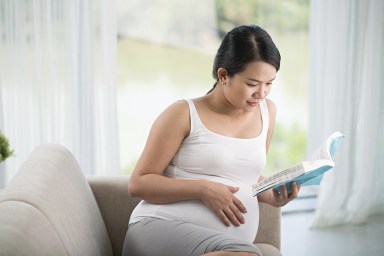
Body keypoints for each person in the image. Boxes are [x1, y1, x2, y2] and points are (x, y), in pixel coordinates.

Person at [123, 25, 301, 256]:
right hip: (159, 227)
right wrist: (203, 189)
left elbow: (245, 176)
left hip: (224, 245)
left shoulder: (267, 112)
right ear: (223, 75)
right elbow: (138, 183)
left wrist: (273, 194)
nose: (262, 93)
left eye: (269, 83)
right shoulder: (183, 113)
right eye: (252, 84)